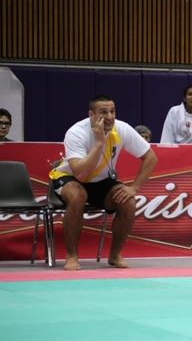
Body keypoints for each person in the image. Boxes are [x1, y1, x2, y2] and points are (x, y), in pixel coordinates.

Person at [49, 96, 158, 270]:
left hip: (102, 181)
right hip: (70, 177)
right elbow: (81, 174)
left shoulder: (122, 128)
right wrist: (100, 142)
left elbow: (151, 158)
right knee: (77, 196)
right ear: (91, 114)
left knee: (128, 202)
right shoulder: (76, 132)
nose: (109, 117)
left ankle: (115, 255)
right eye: (103, 112)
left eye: (112, 111)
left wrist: (134, 188)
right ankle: (71, 256)